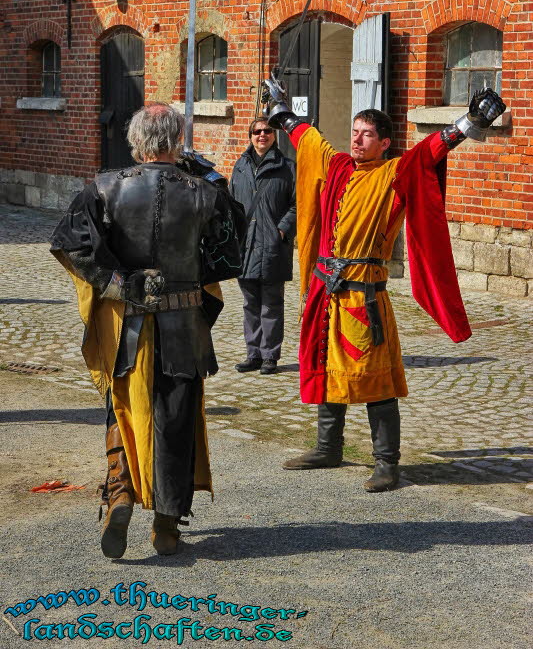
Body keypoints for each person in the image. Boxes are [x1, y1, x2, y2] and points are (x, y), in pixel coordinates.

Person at [262, 79, 506, 491]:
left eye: (367, 134)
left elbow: (430, 150)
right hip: (326, 289)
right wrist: (280, 111)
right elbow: (307, 138)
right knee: (322, 362)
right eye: (355, 132)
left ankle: (387, 462)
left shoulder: (395, 173)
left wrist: (470, 121)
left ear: (385, 143)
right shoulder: (337, 166)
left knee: (375, 376)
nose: (357, 139)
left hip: (363, 293)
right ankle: (328, 446)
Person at [50, 103, 245, 557]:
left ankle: (119, 493)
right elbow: (231, 256)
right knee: (175, 418)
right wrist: (209, 181)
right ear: (177, 140)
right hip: (184, 324)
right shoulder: (203, 192)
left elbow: (69, 244)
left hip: (125, 327)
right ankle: (166, 523)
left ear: (136, 142)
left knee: (122, 409)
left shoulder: (102, 188)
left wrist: (119, 283)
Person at [229, 117, 296, 375]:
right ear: (250, 136)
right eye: (256, 132)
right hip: (245, 245)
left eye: (267, 131)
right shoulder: (240, 166)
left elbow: (297, 203)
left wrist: (282, 229)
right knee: (249, 303)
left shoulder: (287, 168)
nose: (262, 135)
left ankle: (270, 355)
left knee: (271, 303)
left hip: (272, 245)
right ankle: (253, 353)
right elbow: (233, 203)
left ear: (274, 135)